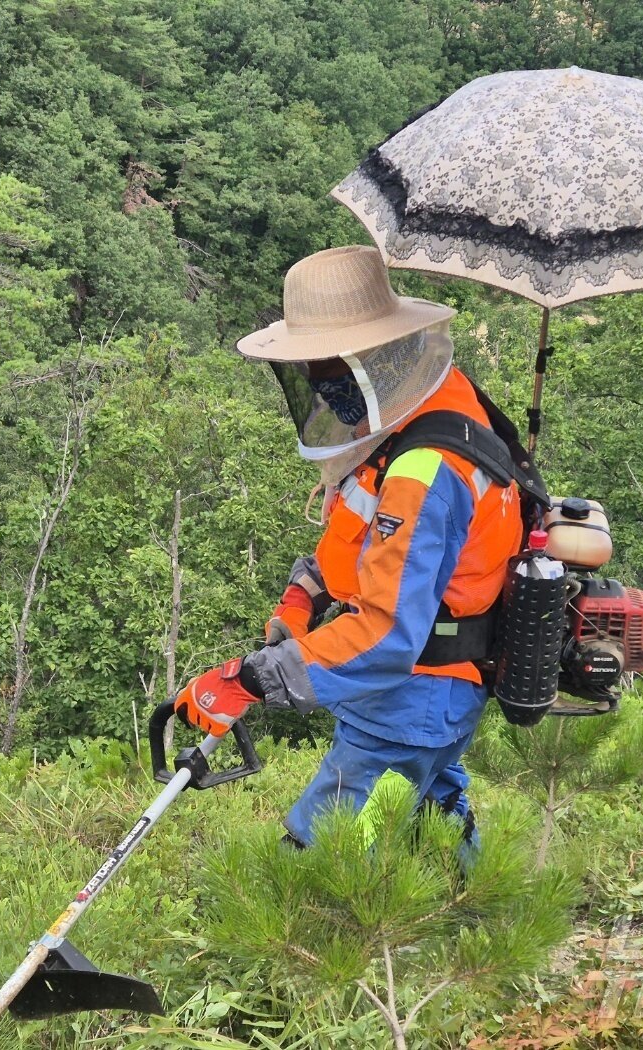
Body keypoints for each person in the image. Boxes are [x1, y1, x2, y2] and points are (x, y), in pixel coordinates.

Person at [174, 245, 528, 848]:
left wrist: (251, 680)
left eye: (327, 373)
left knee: (327, 856)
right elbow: (369, 542)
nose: (318, 388)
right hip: (420, 703)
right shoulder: (418, 415)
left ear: (375, 360)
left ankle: (341, 936)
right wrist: (302, 593)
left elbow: (387, 633)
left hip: (410, 705)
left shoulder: (424, 468)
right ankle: (467, 923)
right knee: (427, 831)